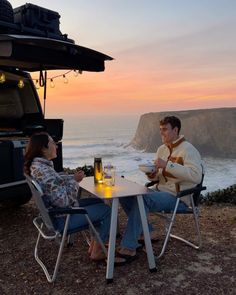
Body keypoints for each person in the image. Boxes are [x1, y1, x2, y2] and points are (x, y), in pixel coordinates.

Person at [24, 132, 125, 263]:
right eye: (53, 143)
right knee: (107, 211)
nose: (56, 146)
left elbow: (56, 181)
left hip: (54, 215)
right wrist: (75, 182)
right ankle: (97, 251)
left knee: (97, 201)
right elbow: (63, 201)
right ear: (43, 148)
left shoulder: (38, 166)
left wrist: (72, 178)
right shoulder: (44, 171)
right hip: (63, 218)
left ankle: (96, 244)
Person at [118, 116, 203, 259]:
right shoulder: (161, 149)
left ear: (175, 130)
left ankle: (129, 247)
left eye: (165, 129)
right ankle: (148, 232)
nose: (161, 133)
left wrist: (167, 165)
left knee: (142, 200)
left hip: (178, 197)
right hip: (159, 192)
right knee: (126, 195)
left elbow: (196, 176)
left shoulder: (189, 149)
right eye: (160, 130)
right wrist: (151, 174)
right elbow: (158, 176)